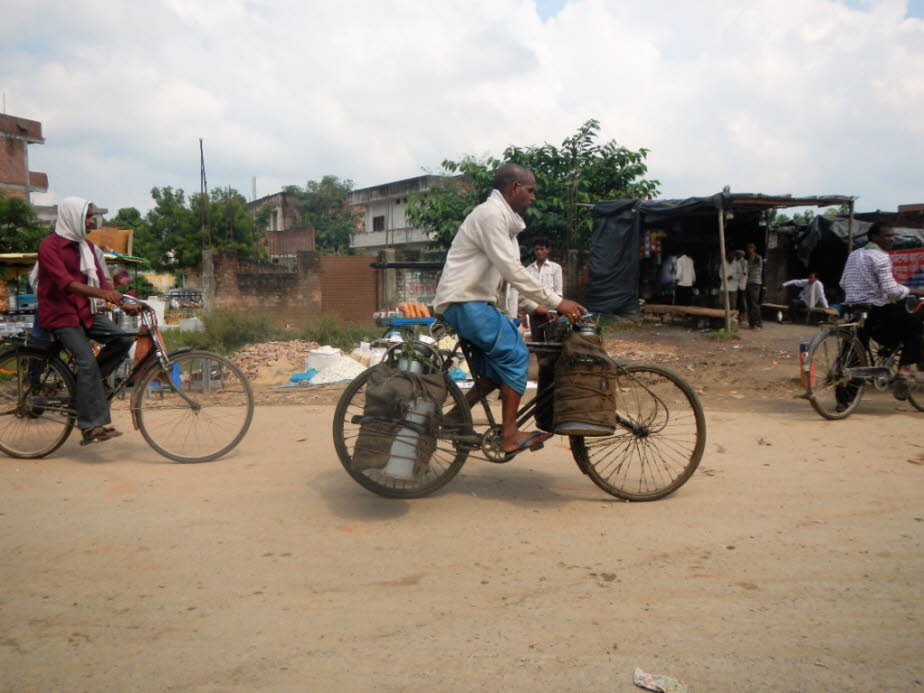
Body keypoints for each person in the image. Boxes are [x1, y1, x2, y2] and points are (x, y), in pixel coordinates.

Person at [433, 164, 586, 454]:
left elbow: (507, 282)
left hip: (472, 302)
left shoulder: (506, 225)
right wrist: (558, 301)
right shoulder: (490, 215)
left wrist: (540, 308)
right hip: (465, 302)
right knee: (517, 355)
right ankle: (509, 436)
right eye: (530, 190)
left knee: (494, 371)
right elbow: (513, 270)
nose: (533, 197)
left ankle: (454, 418)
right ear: (514, 188)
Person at [35, 197, 137, 445]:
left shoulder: (88, 248)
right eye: (88, 217)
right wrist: (103, 295)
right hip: (59, 313)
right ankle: (91, 427)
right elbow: (66, 284)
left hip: (84, 311)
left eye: (91, 216)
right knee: (86, 361)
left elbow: (103, 283)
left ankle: (86, 385)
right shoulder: (49, 247)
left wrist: (124, 303)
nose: (92, 222)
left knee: (122, 340)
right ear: (72, 217)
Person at [840, 223, 924, 379]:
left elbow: (843, 283)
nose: (891, 239)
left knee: (852, 353)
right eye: (886, 235)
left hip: (853, 307)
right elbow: (891, 290)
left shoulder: (854, 254)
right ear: (873, 237)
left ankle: (843, 402)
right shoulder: (881, 256)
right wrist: (913, 291)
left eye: (892, 235)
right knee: (914, 324)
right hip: (876, 310)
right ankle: (904, 369)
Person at [524, 237, 563, 339]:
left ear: (548, 250)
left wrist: (553, 310)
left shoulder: (555, 268)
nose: (539, 252)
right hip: (535, 311)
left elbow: (558, 291)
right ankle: (540, 355)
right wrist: (530, 310)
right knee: (537, 341)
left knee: (553, 339)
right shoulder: (528, 270)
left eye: (542, 249)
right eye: (537, 249)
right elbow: (525, 293)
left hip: (552, 312)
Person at [745, 243, 763, 329]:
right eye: (748, 248)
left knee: (754, 303)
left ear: (754, 249)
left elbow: (753, 269)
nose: (749, 250)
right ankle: (751, 323)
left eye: (751, 248)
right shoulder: (749, 259)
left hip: (755, 282)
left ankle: (758, 323)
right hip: (749, 282)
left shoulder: (757, 257)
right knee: (749, 303)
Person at [735, 249, 748, 322]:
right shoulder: (737, 261)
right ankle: (739, 315)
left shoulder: (744, 262)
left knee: (742, 300)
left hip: (742, 283)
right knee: (739, 300)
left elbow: (744, 273)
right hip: (737, 284)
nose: (736, 255)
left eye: (737, 254)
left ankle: (744, 315)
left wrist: (736, 275)